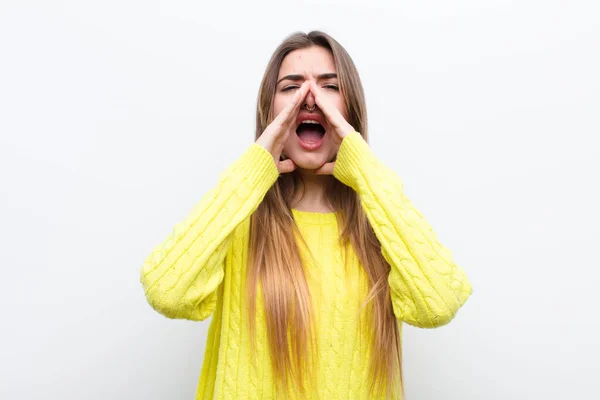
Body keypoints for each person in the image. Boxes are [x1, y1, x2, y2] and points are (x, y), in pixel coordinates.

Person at [140, 30, 473, 400]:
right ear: (270, 111)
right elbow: (166, 292)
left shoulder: (383, 225)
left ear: (351, 110)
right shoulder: (236, 218)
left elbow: (440, 304)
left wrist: (363, 170)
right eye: (292, 87)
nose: (310, 99)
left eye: (329, 86)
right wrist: (256, 165)